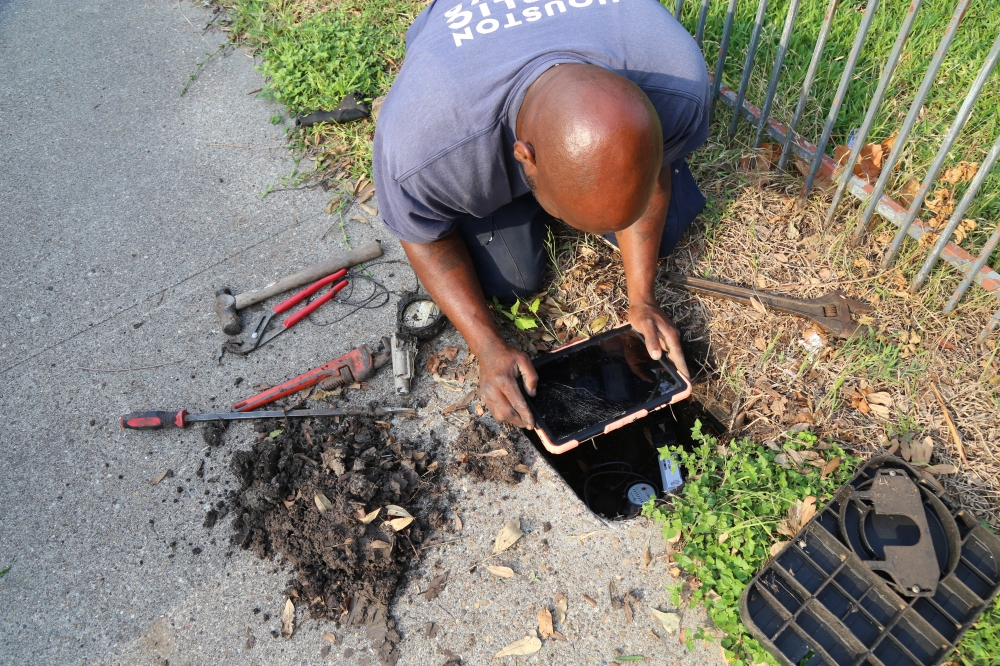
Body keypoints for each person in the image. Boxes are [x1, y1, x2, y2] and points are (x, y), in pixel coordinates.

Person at [372, 0, 710, 429]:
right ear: (524, 158)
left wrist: (642, 298)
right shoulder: (426, 147)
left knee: (666, 229)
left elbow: (656, 169)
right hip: (470, 82)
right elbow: (422, 234)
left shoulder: (675, 80)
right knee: (511, 280)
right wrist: (487, 347)